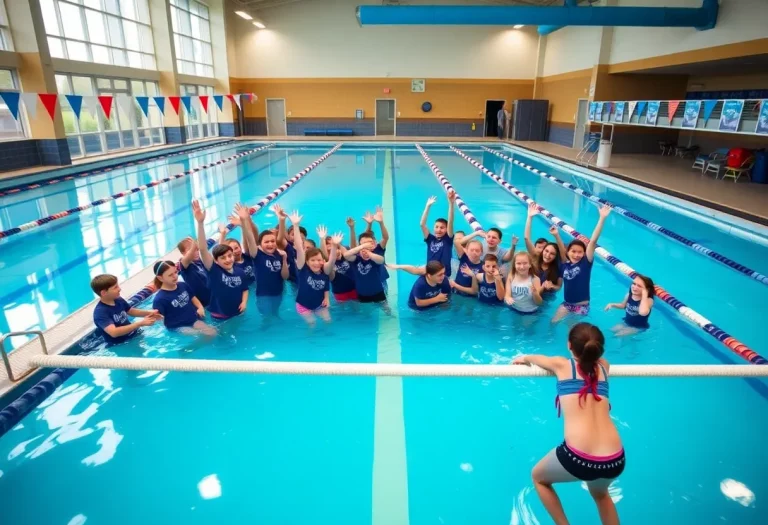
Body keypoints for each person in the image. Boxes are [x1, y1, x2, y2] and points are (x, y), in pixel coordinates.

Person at [512, 323, 624, 525]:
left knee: (538, 478)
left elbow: (538, 359)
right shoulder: (604, 367)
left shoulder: (562, 365)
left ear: (569, 345)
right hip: (615, 458)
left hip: (580, 458)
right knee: (601, 496)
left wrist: (524, 358)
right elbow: (595, 361)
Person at [552, 205, 611, 322]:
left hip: (581, 306)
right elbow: (561, 249)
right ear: (568, 252)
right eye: (573, 251)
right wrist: (556, 235)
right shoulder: (564, 264)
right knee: (553, 323)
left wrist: (602, 218)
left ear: (584, 253)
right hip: (567, 304)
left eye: (580, 252)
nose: (576, 254)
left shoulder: (585, 263)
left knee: (572, 333)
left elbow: (593, 241)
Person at [193, 199, 249, 320]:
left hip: (238, 313)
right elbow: (203, 249)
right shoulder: (214, 271)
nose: (228, 259)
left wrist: (244, 302)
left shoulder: (239, 271)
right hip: (220, 317)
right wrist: (200, 223)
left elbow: (245, 289)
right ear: (216, 261)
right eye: (223, 258)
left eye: (230, 255)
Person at [291, 211, 338, 324]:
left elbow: (331, 261)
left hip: (319, 304)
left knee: (328, 321)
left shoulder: (324, 270)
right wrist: (296, 226)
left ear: (322, 261)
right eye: (312, 260)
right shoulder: (303, 269)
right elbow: (298, 246)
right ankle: (310, 340)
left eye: (318, 260)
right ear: (307, 261)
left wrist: (335, 246)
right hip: (303, 305)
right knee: (312, 324)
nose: (316, 263)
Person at [90, 274, 161, 344]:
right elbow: (114, 332)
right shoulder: (100, 312)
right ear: (104, 293)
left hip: (134, 334)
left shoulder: (118, 299)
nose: (119, 289)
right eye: (115, 287)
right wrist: (140, 323)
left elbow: (131, 311)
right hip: (120, 344)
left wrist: (151, 312)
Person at [151, 260, 216, 336]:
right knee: (203, 334)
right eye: (170, 275)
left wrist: (200, 307)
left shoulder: (183, 285)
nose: (175, 276)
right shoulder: (160, 299)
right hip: (178, 327)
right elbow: (157, 318)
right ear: (160, 278)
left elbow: (193, 298)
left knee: (212, 332)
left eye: (175, 272)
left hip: (193, 320)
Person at [217, 203, 256, 286]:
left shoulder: (247, 256)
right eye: (232, 250)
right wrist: (223, 234)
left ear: (240, 247)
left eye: (236, 247)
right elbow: (219, 252)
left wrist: (243, 225)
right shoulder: (230, 265)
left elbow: (249, 239)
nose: (236, 251)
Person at [344, 233, 387, 304]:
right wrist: (362, 246)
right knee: (366, 313)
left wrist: (368, 252)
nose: (367, 245)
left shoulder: (374, 258)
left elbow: (381, 260)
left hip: (378, 292)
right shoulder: (356, 259)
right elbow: (346, 255)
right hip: (362, 294)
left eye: (369, 243)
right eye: (364, 244)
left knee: (387, 311)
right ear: (360, 246)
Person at [421, 192, 456, 276]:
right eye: (436, 227)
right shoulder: (430, 239)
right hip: (430, 273)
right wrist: (427, 206)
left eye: (442, 227)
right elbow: (422, 224)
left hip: (444, 275)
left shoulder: (448, 239)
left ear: (446, 229)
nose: (438, 230)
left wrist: (451, 204)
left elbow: (450, 221)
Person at [274, 203, 306, 283]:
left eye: (301, 237)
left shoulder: (308, 248)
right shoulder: (288, 246)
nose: (295, 237)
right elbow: (281, 237)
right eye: (293, 235)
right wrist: (281, 220)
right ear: (288, 236)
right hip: (291, 278)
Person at [177, 237, 211, 307]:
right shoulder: (184, 264)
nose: (195, 251)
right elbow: (188, 257)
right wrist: (194, 243)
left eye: (196, 249)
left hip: (212, 298)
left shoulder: (200, 261)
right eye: (191, 249)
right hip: (203, 304)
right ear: (183, 253)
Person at [363, 206, 391, 292]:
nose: (370, 243)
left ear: (375, 241)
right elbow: (364, 238)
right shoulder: (361, 250)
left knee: (383, 303)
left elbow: (385, 237)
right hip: (367, 282)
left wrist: (381, 223)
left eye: (372, 241)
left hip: (380, 281)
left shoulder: (379, 248)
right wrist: (369, 224)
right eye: (367, 242)